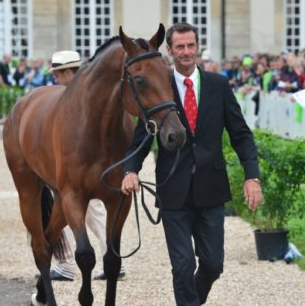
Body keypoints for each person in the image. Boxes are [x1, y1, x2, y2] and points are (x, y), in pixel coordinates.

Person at [120, 22, 262, 306]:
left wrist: (252, 176)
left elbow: (241, 135)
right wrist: (130, 169)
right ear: (169, 50)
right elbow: (142, 137)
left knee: (212, 265)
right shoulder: (161, 84)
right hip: (173, 190)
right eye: (180, 47)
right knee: (182, 267)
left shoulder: (218, 85)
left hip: (212, 188)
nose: (186, 52)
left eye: (190, 46)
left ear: (197, 48)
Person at [38, 50, 125, 282]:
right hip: (86, 167)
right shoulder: (84, 96)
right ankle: (109, 256)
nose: (55, 79)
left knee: (73, 208)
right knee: (88, 210)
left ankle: (69, 263)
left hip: (79, 168)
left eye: (58, 74)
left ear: (69, 73)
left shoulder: (78, 100)